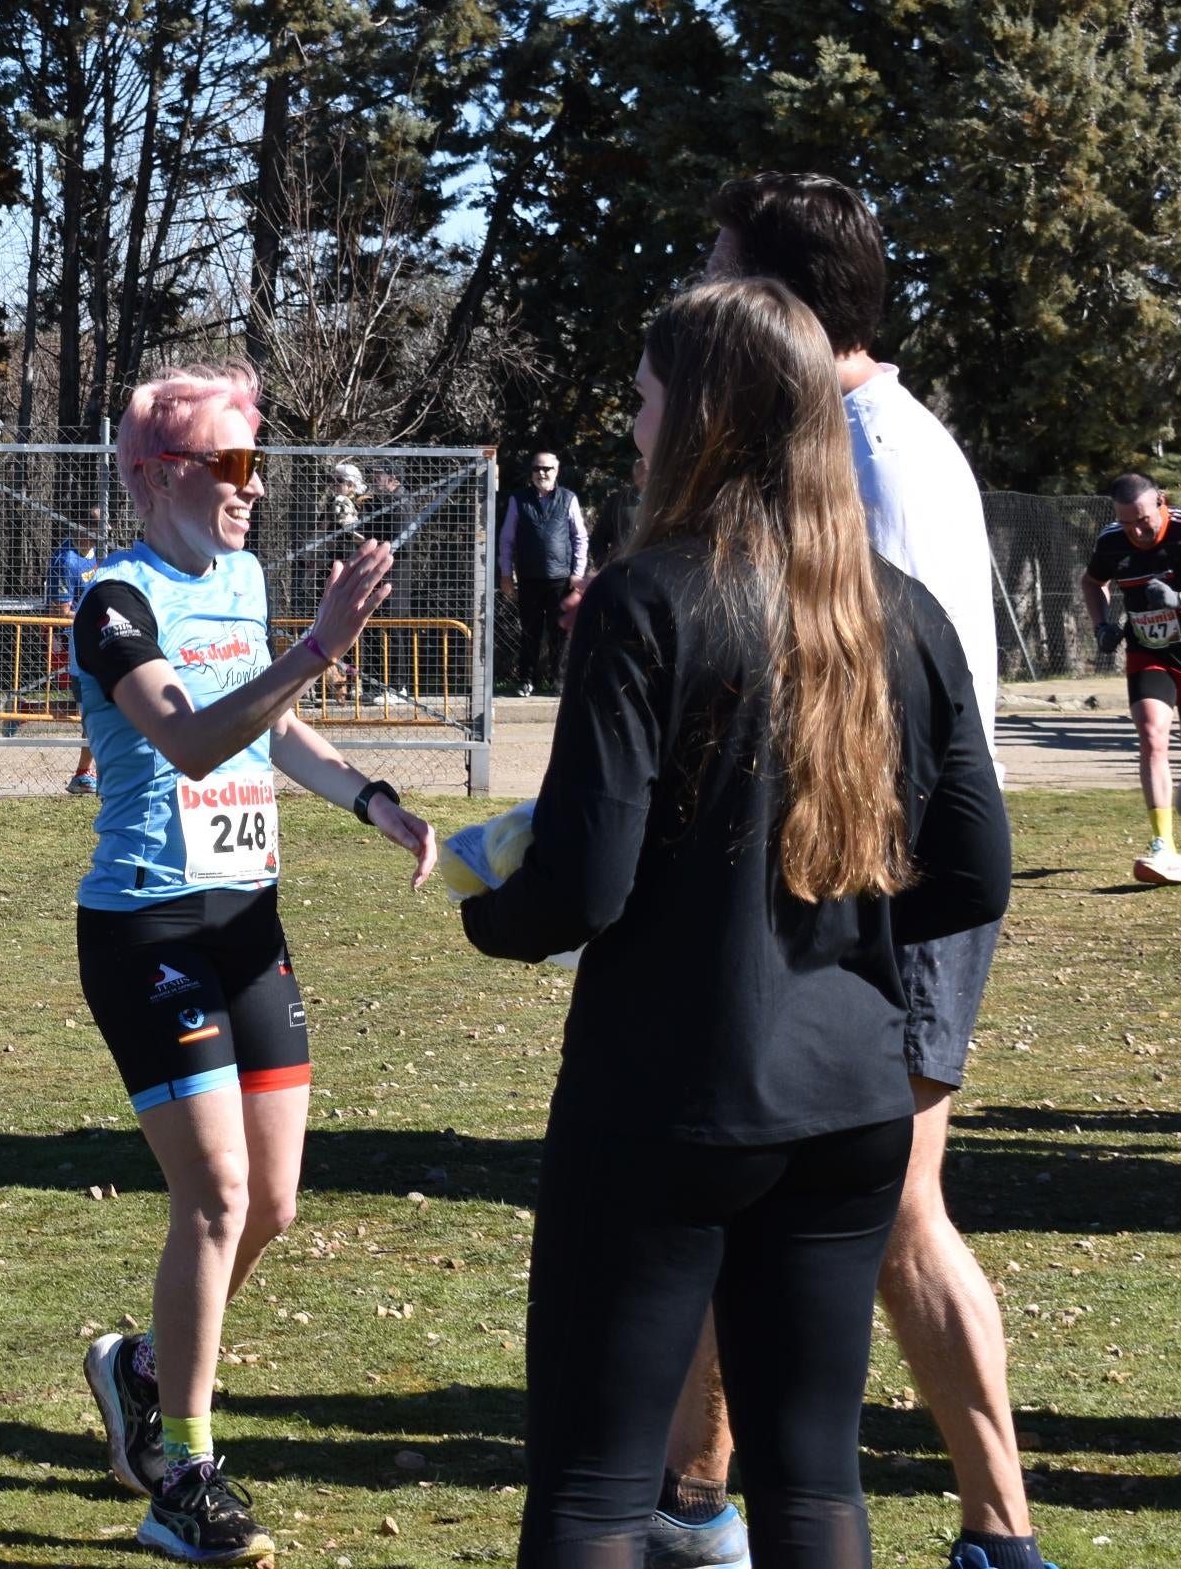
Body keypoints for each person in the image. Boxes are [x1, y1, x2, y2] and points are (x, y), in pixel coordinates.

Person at [460, 277, 1010, 1565]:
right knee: (814, 1478)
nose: (635, 432)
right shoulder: (904, 609)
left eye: (647, 404)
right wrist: (825, 909)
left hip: (672, 1094)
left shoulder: (644, 599)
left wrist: (495, 911)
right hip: (852, 1099)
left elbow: (582, 885)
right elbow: (974, 871)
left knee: (596, 1483)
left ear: (703, 415)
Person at [684, 170, 1032, 1569]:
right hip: (851, 892)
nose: (699, 297)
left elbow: (869, 703)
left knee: (887, 1216)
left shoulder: (869, 456)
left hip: (878, 897)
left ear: (778, 296)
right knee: (750, 1188)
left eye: (718, 270)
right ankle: (693, 1505)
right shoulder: (843, 435)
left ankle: (999, 1532)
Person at [69, 363, 437, 1566]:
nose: (254, 486)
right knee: (216, 1195)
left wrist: (369, 797)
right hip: (149, 935)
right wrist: (321, 644)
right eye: (232, 464)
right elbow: (185, 734)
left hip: (249, 925)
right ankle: (183, 1468)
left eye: (256, 463)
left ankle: (137, 1368)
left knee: (269, 1201)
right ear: (161, 473)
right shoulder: (113, 597)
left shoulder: (243, 576)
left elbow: (269, 724)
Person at [1081, 474, 1181, 886]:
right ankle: (1164, 846)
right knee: (1152, 736)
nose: (1135, 531)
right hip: (1148, 651)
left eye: (1143, 520)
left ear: (1162, 503)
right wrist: (1101, 625)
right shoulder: (1111, 540)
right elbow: (1092, 582)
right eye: (1126, 521)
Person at [504, 450, 588, 696]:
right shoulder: (518, 500)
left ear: (556, 471)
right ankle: (525, 680)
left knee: (560, 632)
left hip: (561, 578)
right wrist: (506, 573)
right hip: (529, 577)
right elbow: (507, 539)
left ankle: (559, 681)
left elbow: (580, 538)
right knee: (529, 630)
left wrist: (578, 573)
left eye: (547, 469)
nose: (542, 473)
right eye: (537, 468)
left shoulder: (568, 499)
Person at [52, 529, 107, 794]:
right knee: (91, 710)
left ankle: (90, 772)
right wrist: (95, 617)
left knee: (98, 709)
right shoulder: (66, 561)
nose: (106, 533)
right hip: (81, 647)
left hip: (105, 642)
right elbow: (62, 611)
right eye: (100, 527)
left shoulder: (102, 554)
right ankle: (85, 773)